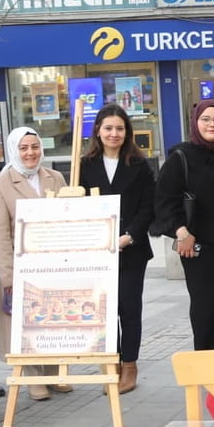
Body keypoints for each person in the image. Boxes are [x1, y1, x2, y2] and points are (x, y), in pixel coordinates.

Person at [0, 127, 68, 401]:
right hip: (21, 268)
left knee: (52, 319)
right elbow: (0, 236)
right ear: (14, 150)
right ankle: (33, 376)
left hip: (54, 265)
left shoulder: (55, 177)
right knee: (24, 324)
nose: (30, 153)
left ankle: (54, 371)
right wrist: (8, 278)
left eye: (34, 147)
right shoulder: (0, 185)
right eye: (24, 148)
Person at [79, 103, 154, 394]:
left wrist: (130, 235)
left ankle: (130, 365)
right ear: (98, 130)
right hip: (98, 251)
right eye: (108, 128)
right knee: (105, 310)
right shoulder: (84, 166)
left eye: (119, 128)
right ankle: (111, 364)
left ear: (127, 132)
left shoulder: (140, 165)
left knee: (129, 308)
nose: (114, 134)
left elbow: (149, 206)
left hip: (131, 249)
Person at [152, 100, 214, 350]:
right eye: (206, 119)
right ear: (195, 123)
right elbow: (165, 201)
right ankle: (208, 373)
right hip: (199, 249)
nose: (212, 124)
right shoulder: (181, 157)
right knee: (205, 312)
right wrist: (181, 232)